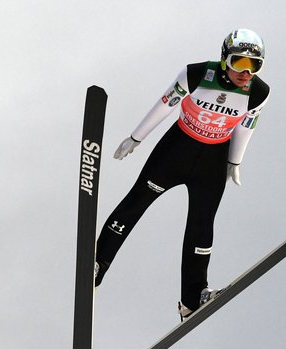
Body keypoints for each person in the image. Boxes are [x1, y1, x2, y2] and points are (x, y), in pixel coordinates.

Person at [94, 29, 270, 320]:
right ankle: (97, 265)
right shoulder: (197, 74)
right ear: (225, 58)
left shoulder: (259, 92)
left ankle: (192, 298)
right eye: (240, 63)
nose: (246, 72)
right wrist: (136, 138)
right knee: (136, 202)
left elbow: (246, 127)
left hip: (212, 161)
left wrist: (234, 162)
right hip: (176, 150)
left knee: (203, 225)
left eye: (254, 65)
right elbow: (166, 104)